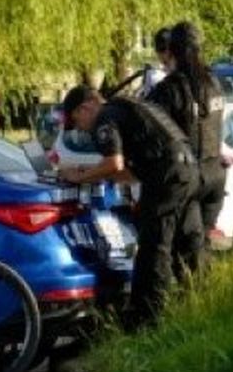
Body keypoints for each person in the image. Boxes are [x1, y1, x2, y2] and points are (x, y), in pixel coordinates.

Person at [55, 85, 202, 330]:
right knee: (185, 244)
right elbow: (131, 172)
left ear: (86, 107)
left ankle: (147, 318)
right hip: (187, 171)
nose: (80, 129)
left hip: (168, 175)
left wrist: (78, 178)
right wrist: (92, 175)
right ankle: (195, 305)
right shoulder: (131, 107)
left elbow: (114, 163)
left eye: (76, 122)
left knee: (153, 247)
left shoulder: (105, 117)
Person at [146, 21, 225, 277]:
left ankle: (188, 308)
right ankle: (203, 304)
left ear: (172, 50)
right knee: (202, 247)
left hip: (189, 176)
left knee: (186, 252)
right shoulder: (213, 82)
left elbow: (149, 131)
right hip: (216, 174)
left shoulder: (170, 89)